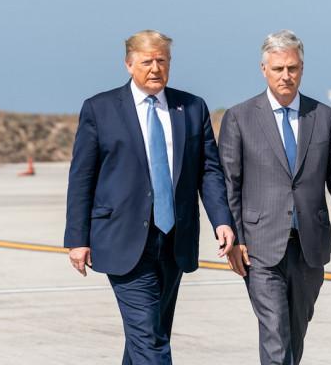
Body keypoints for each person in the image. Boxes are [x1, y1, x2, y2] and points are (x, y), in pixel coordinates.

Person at [64, 30, 234, 364]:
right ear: (128, 64)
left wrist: (222, 221)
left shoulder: (192, 107)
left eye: (162, 60)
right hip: (122, 239)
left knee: (150, 335)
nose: (155, 68)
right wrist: (76, 239)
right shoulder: (100, 109)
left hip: (174, 240)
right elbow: (82, 177)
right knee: (150, 342)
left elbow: (208, 171)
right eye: (147, 61)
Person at [218, 30, 331, 364]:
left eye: (292, 68)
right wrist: (234, 237)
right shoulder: (240, 118)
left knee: (295, 333)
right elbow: (230, 184)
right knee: (275, 335)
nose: (286, 76)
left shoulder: (323, 117)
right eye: (279, 68)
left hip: (310, 245)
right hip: (259, 247)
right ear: (264, 69)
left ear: (302, 69)